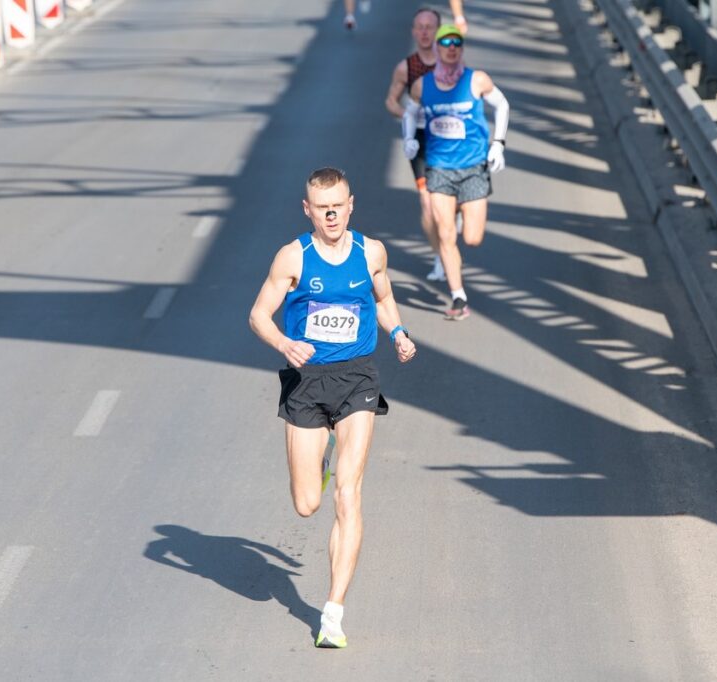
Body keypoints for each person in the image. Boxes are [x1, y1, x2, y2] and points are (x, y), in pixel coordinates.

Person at [249, 167, 417, 648]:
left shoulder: (371, 252)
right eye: (322, 207)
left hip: (357, 378)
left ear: (350, 205)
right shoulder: (293, 258)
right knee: (307, 504)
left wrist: (399, 333)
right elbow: (259, 314)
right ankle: (318, 462)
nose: (331, 214)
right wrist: (284, 342)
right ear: (309, 210)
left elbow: (383, 298)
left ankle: (334, 612)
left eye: (338, 205)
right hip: (306, 381)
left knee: (349, 493)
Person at [402, 23, 510, 320]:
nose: (451, 47)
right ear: (437, 48)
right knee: (446, 234)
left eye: (456, 43)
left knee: (473, 238)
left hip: (474, 168)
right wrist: (409, 138)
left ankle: (462, 210)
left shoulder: (477, 80)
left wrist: (498, 143)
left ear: (461, 48)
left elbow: (502, 105)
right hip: (439, 168)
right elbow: (410, 112)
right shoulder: (423, 85)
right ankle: (458, 296)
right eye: (446, 42)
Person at [385, 7, 444, 281]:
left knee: (447, 200)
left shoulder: (450, 63)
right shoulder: (405, 67)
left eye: (429, 27)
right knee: (426, 201)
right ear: (413, 31)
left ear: (437, 31)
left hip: (448, 138)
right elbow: (391, 102)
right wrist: (409, 113)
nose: (424, 32)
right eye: (419, 27)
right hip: (419, 138)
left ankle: (450, 221)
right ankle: (440, 256)